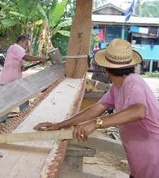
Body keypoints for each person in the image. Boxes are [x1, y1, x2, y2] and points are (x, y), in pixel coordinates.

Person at [34, 38, 159, 178]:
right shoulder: (116, 87)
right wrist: (61, 125)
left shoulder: (133, 81)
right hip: (140, 161)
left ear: (106, 69)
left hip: (153, 160)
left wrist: (96, 123)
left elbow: (138, 111)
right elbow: (96, 108)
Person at [0, 35, 47, 111]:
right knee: (6, 102)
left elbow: (21, 66)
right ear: (21, 41)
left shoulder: (17, 51)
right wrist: (39, 59)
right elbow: (26, 57)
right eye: (26, 44)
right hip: (8, 81)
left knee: (23, 98)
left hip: (15, 81)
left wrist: (23, 68)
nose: (27, 46)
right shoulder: (14, 47)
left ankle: (24, 114)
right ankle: (3, 120)